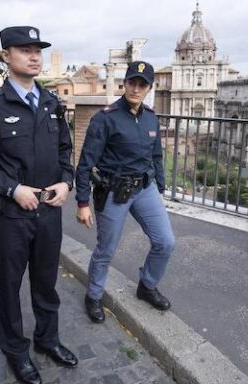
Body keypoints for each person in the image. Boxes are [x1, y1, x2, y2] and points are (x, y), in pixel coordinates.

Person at [0, 26, 77, 384]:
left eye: (38, 50)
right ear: (5, 57)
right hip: (12, 215)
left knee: (46, 282)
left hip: (49, 212)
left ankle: (47, 339)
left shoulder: (51, 103)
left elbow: (64, 152)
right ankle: (17, 351)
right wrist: (13, 189)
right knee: (10, 285)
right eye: (25, 50)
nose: (34, 56)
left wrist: (66, 182)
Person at [75, 61, 175, 323]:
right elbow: (85, 163)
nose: (136, 88)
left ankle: (147, 286)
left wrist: (160, 187)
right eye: (132, 82)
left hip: (144, 189)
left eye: (142, 84)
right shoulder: (105, 119)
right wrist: (82, 202)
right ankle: (94, 295)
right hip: (113, 192)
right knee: (106, 249)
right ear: (125, 83)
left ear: (149, 88)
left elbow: (156, 155)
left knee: (165, 242)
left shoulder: (151, 117)